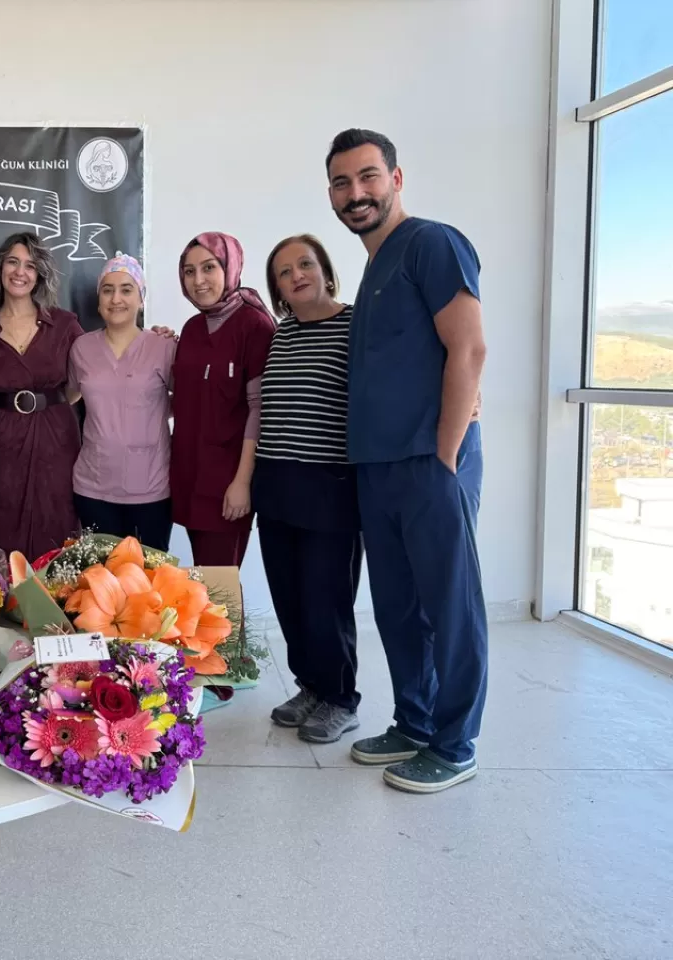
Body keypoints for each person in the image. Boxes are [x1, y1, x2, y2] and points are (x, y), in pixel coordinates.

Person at [326, 128, 487, 794]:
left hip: (428, 462)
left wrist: (446, 453)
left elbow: (469, 349)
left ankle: (456, 743)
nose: (355, 192)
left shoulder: (431, 243)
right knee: (396, 606)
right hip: (377, 467)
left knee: (450, 605)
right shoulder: (375, 266)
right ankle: (414, 722)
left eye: (367, 176)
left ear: (396, 177)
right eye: (341, 182)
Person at [254, 234, 363, 744]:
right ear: (277, 288)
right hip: (276, 483)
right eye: (284, 271)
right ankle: (309, 688)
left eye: (305, 264)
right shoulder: (283, 332)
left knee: (327, 600)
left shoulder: (355, 324)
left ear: (325, 269)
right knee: (290, 598)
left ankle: (340, 698)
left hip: (329, 485)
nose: (296, 275)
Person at [0, 232, 84, 558]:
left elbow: (96, 369)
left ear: (39, 274)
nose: (20, 272)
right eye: (13, 262)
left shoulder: (64, 324)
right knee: (2, 520)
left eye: (30, 265)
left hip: (57, 438)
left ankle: (56, 603)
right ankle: (7, 603)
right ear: (0, 268)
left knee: (57, 517)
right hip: (0, 441)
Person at [169, 232, 277, 567]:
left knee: (221, 587)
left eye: (208, 268)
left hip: (227, 481)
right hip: (188, 474)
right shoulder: (191, 329)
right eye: (189, 271)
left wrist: (242, 482)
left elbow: (260, 410)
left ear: (230, 267)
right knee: (202, 585)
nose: (198, 280)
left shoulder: (255, 325)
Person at [67, 254, 176, 550]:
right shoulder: (82, 348)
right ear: (99, 299)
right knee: (99, 585)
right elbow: (69, 397)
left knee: (150, 586)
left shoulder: (164, 346)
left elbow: (188, 403)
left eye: (127, 289)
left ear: (141, 299)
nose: (116, 299)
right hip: (93, 488)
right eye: (108, 290)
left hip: (151, 491)